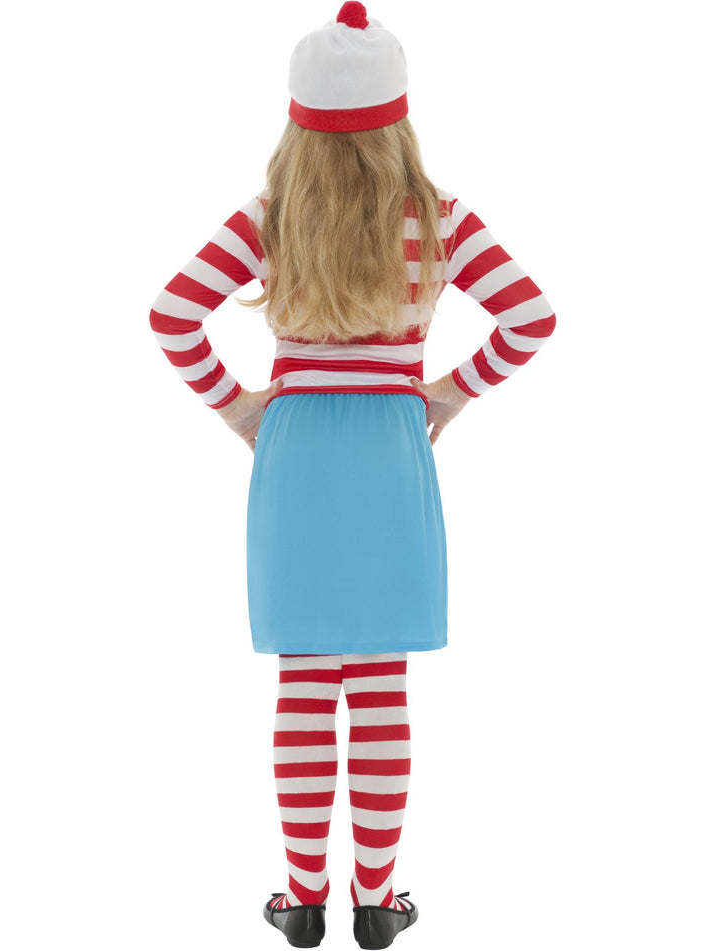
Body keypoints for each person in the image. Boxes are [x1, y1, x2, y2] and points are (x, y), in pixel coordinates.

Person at [148, 3, 556, 947]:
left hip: (295, 452)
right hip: (389, 449)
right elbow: (530, 316)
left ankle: (301, 899)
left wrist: (240, 407)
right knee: (378, 684)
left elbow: (172, 313)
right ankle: (377, 900)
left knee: (303, 681)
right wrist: (449, 392)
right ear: (397, 118)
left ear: (297, 119)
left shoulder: (270, 217)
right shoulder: (440, 217)